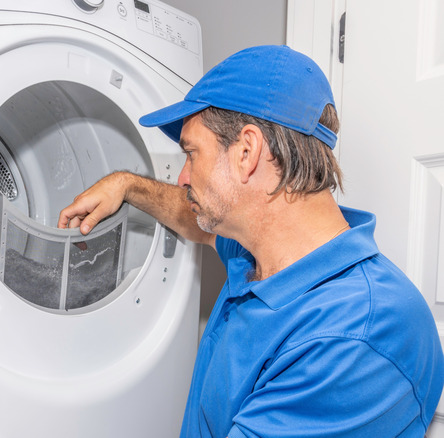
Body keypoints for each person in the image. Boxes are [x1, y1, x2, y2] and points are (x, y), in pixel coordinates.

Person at [58, 45, 444, 437]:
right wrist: (126, 185)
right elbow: (196, 218)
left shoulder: (356, 338)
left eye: (192, 153)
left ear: (247, 151)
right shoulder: (260, 255)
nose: (183, 177)